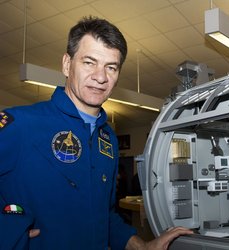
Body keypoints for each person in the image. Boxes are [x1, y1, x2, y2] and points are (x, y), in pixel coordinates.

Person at [0, 16, 192, 250]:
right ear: (67, 64)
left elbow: (105, 214)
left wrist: (143, 247)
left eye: (111, 67)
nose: (100, 77)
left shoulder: (108, 139)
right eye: (89, 62)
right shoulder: (21, 123)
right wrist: (8, 232)